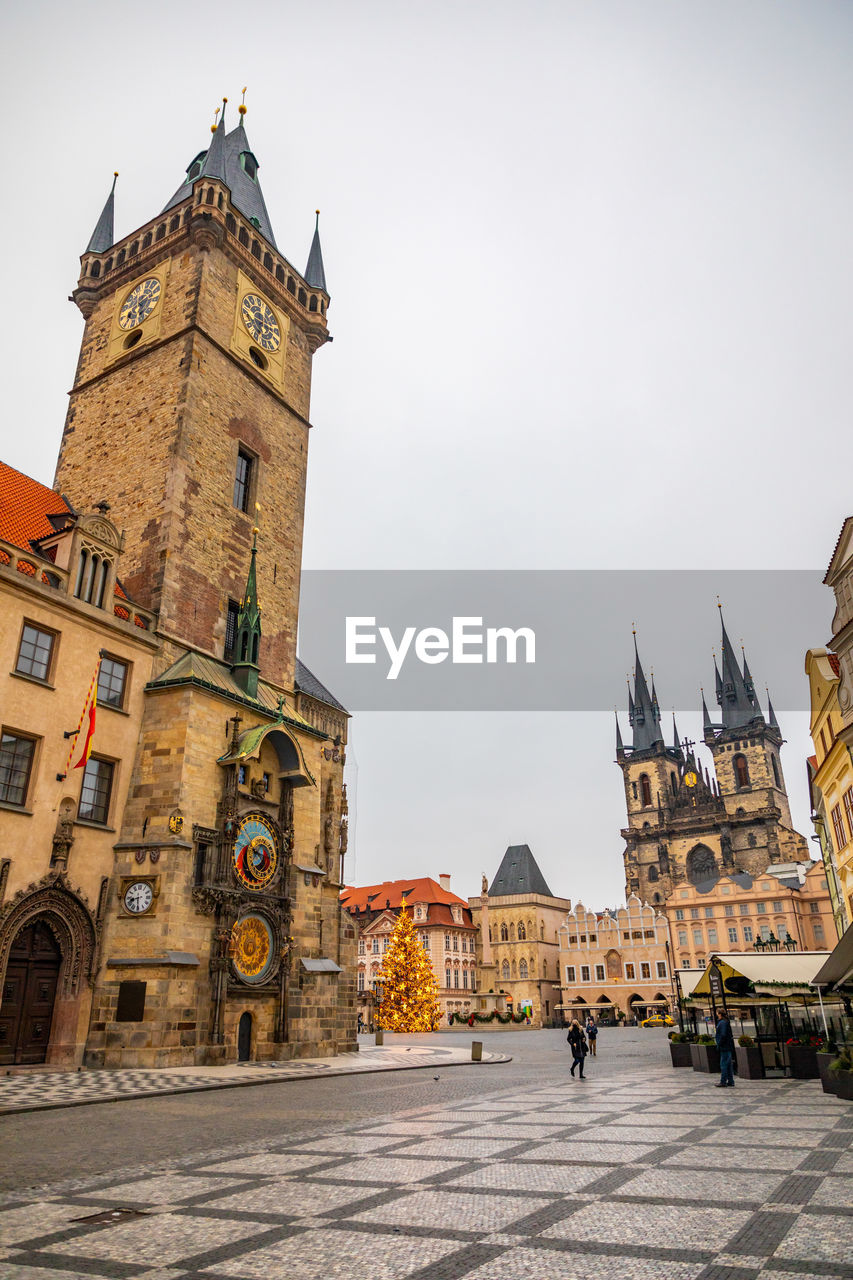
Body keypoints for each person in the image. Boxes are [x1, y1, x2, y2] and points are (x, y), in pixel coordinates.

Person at [715, 1010, 735, 1087]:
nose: (717, 1015)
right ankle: (730, 1081)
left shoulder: (722, 1023)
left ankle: (723, 1081)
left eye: (717, 1013)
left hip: (724, 1046)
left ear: (719, 1014)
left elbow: (723, 1034)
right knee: (728, 1064)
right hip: (727, 1046)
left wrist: (719, 1043)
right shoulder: (725, 1022)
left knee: (723, 1064)